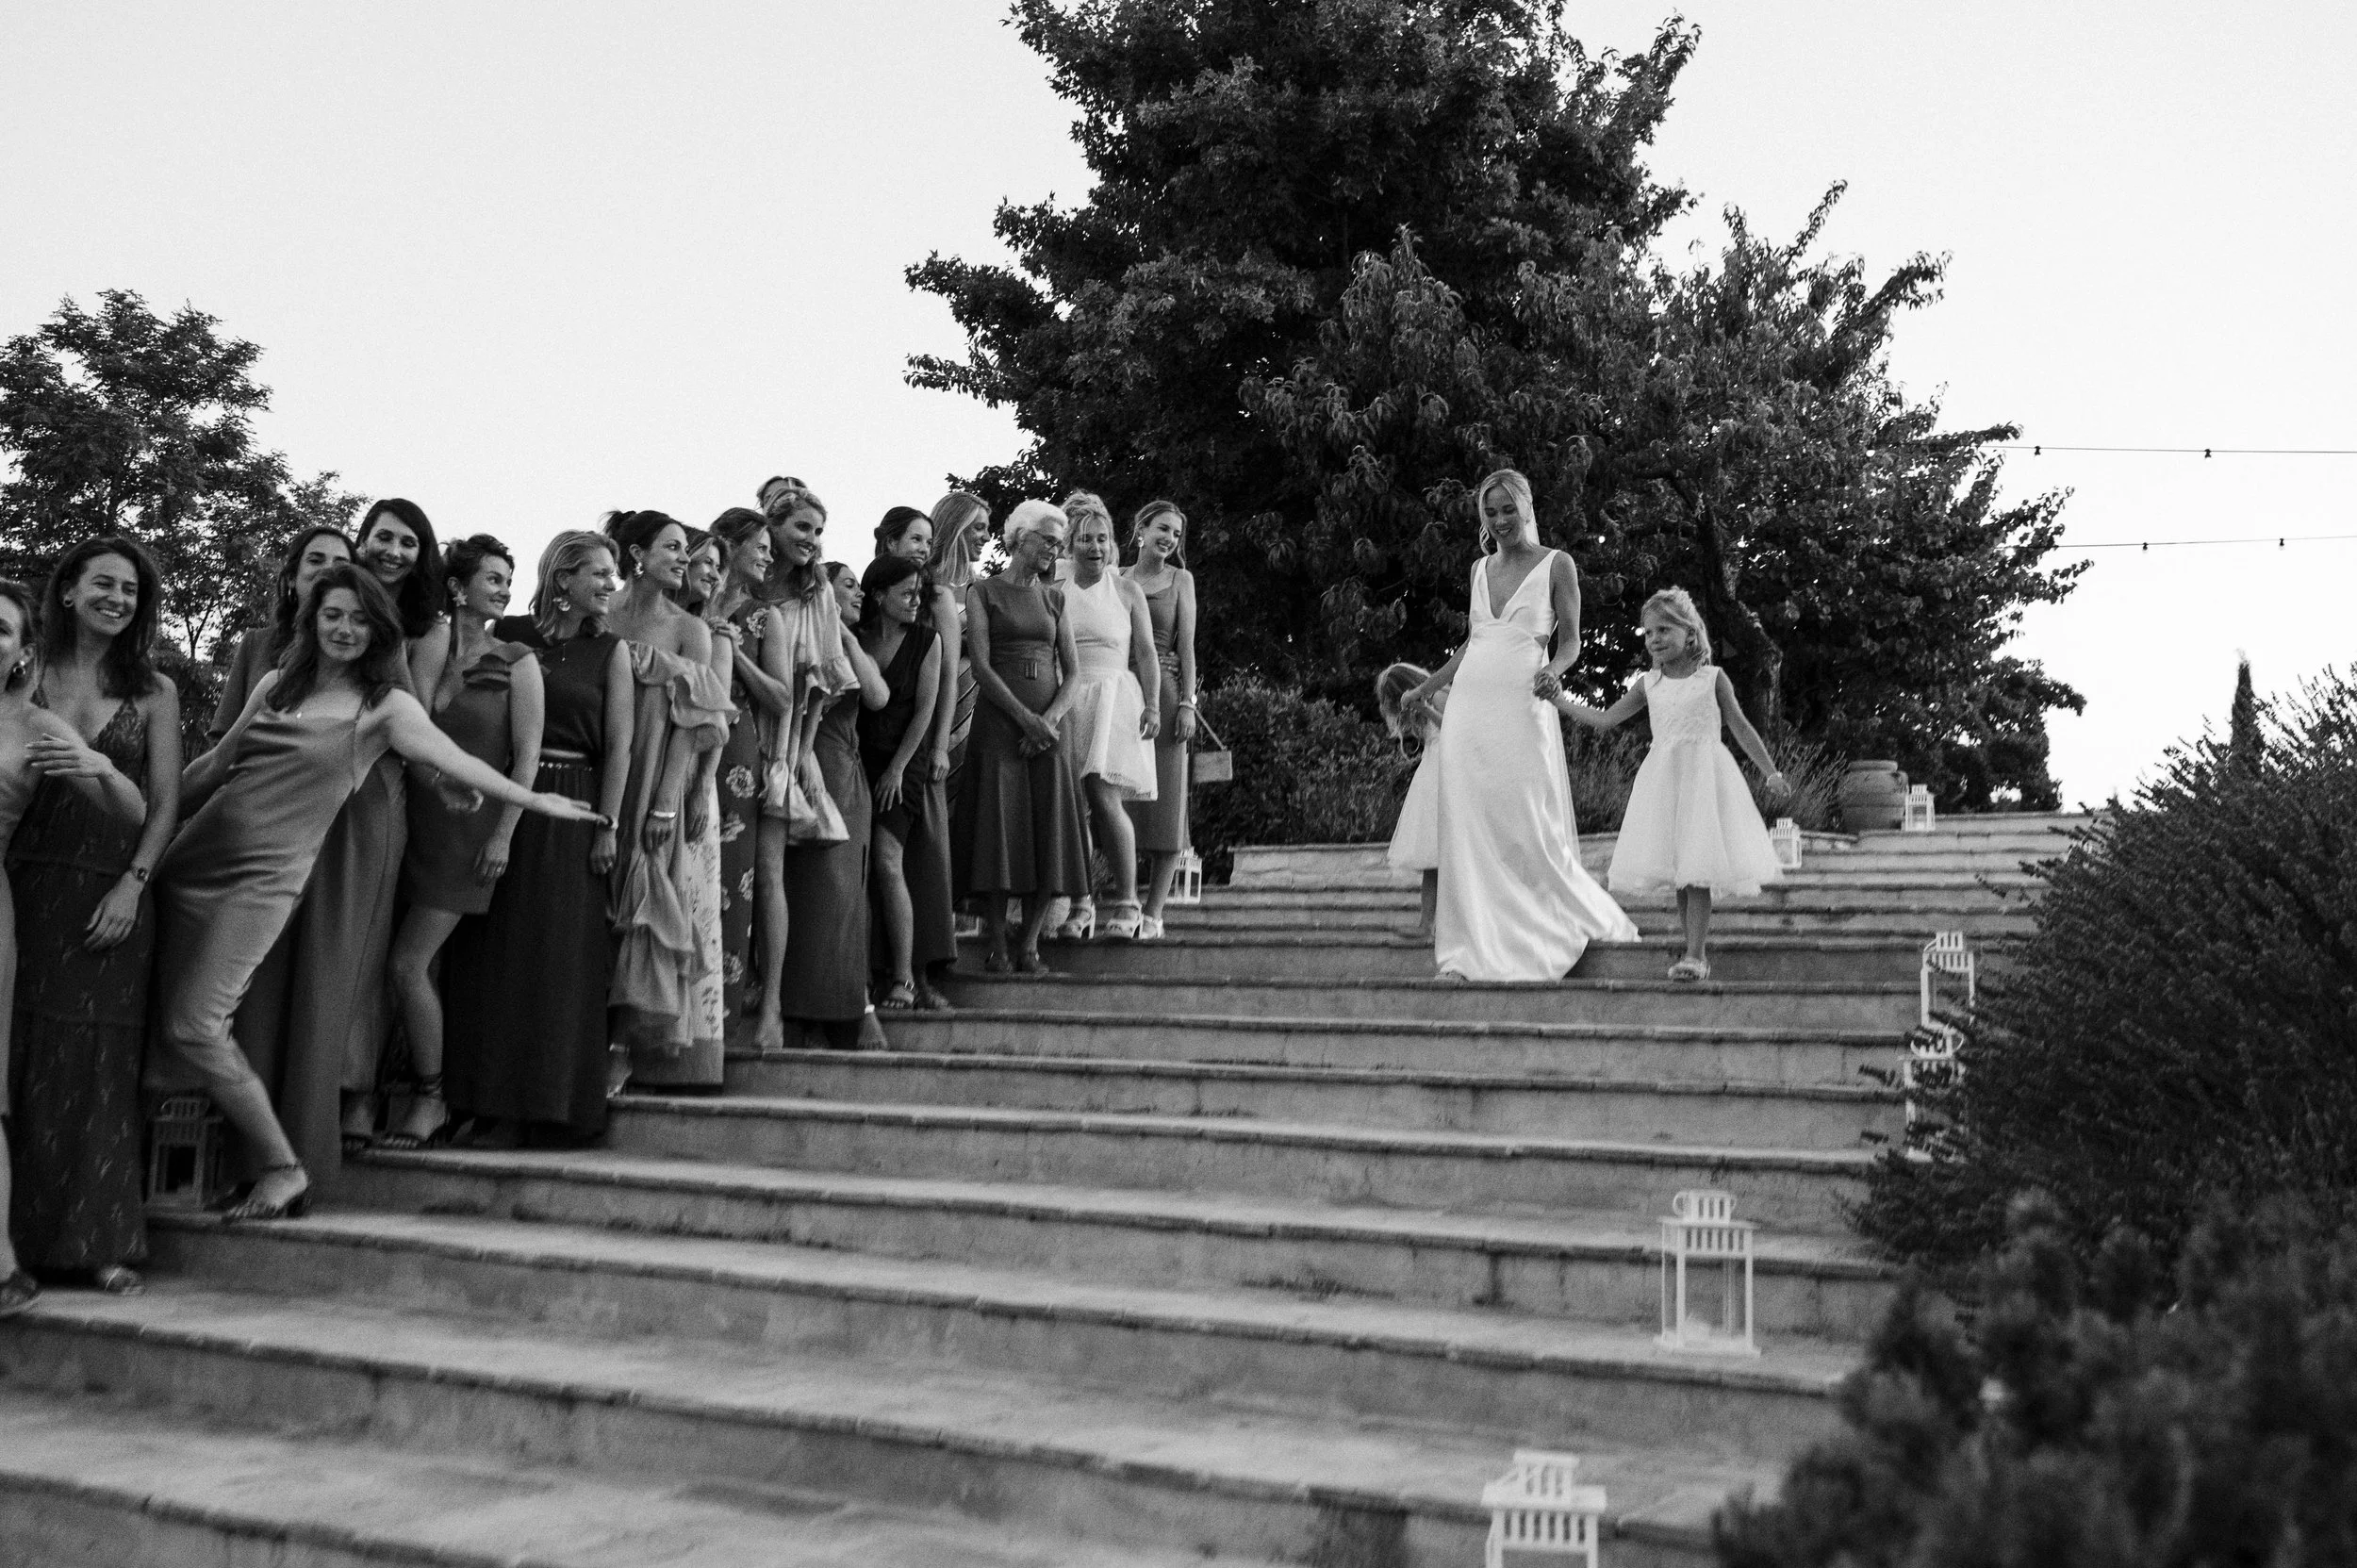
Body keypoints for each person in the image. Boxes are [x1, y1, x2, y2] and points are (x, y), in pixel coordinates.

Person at [153, 564, 603, 1220]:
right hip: (197, 858)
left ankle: (282, 1168)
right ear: (312, 620)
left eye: (360, 618)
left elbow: (461, 763)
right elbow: (214, 767)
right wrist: (144, 833)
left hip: (265, 880)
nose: (344, 627)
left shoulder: (385, 707)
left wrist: (533, 798)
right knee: (160, 1008)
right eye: (333, 613)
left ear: (379, 631)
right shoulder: (278, 683)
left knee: (195, 1022)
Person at [8, 537, 179, 1296]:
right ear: (68, 590)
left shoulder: (154, 690)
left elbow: (166, 802)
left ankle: (100, 1242)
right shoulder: (25, 673)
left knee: (97, 1066)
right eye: (103, 583)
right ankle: (14, 1245)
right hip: (21, 888)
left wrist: (134, 884)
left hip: (112, 889)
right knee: (19, 1062)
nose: (118, 598)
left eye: (132, 590)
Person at [1402, 469, 1636, 981]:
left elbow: (1571, 642)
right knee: (1467, 826)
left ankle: (1544, 929)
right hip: (1469, 710)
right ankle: (1466, 950)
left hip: (1523, 703)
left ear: (1527, 507)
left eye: (1509, 508)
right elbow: (1474, 641)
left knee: (1528, 821)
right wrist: (1426, 686)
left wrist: (1553, 671)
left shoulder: (1558, 565)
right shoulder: (1478, 570)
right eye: (1491, 511)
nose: (1501, 519)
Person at [441, 534, 634, 1146]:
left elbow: (620, 747)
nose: (610, 584)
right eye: (599, 572)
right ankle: (481, 1101)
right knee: (491, 956)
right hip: (501, 799)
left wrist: (608, 825)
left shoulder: (611, 650)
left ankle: (550, 1107)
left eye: (614, 573)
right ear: (563, 577)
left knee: (558, 960)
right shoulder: (514, 634)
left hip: (573, 804)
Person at [380, 536, 542, 1148]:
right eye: (493, 577)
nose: (504, 588)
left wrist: (503, 833)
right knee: (401, 964)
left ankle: (432, 1097)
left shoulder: (518, 659)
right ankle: (384, 1088)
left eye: (508, 578)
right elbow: (412, 726)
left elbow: (525, 760)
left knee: (407, 963)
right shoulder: (426, 644)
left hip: (472, 832)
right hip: (410, 818)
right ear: (458, 585)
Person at [1541, 587, 1787, 981]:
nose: (1654, 639)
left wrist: (1770, 772)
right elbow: (1606, 719)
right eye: (1648, 633)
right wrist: (1559, 701)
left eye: (1663, 630)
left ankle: (1696, 953)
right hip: (1664, 779)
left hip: (1705, 778)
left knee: (1698, 868)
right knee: (1680, 868)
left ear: (1689, 633)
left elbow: (1741, 727)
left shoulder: (1713, 679)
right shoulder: (1647, 684)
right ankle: (1691, 950)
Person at [601, 510, 732, 1089]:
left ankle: (621, 1046)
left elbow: (697, 720)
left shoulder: (690, 630)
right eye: (673, 548)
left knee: (646, 900)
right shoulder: (600, 615)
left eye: (686, 549)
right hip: (598, 766)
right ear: (635, 555)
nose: (685, 558)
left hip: (655, 776)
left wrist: (666, 803)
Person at [953, 500, 1093, 973]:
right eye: (1048, 539)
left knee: (1047, 827)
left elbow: (1073, 673)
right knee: (998, 828)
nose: (1055, 549)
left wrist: (1049, 722)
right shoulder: (983, 591)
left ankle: (1031, 944)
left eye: (1060, 542)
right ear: (1019, 537)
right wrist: (1023, 718)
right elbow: (984, 666)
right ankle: (996, 942)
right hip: (999, 725)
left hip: (1051, 729)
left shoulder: (1055, 597)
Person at [750, 480, 861, 1048]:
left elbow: (824, 683)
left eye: (819, 532)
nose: (812, 541)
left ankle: (769, 1005)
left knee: (770, 876)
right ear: (772, 526)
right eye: (802, 528)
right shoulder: (739, 581)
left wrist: (800, 754)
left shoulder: (816, 594)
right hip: (728, 735)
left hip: (782, 745)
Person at [778, 551, 889, 1047]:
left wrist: (842, 633)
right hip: (802, 761)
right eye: (846, 585)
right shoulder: (800, 633)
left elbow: (877, 695)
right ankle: (801, 1006)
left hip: (842, 773)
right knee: (803, 893)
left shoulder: (847, 641)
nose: (858, 592)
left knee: (843, 895)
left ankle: (849, 1007)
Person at [1055, 491, 1158, 940]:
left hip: (1115, 696)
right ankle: (1081, 903)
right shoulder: (1054, 589)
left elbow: (1147, 653)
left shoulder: (1127, 589)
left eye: (1102, 539)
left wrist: (1153, 703)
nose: (1095, 548)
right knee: (1072, 805)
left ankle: (1128, 902)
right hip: (1067, 698)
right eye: (1085, 539)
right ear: (1069, 544)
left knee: (1104, 797)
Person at [703, 508, 787, 1048]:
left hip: (740, 758)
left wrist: (734, 654)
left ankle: (736, 1017)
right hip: (684, 751)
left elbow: (782, 697)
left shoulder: (765, 617)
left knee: (737, 884)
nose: (768, 555)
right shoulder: (690, 606)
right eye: (758, 545)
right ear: (728, 547)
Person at [870, 507, 959, 1005]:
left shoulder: (936, 602)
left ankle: (915, 976)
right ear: (888, 540)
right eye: (915, 539)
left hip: (916, 749)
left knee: (913, 861)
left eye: (930, 540)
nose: (925, 547)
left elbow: (944, 684)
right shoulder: (865, 607)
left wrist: (940, 745)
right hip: (863, 751)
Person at [854, 554, 944, 1011]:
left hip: (903, 764)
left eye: (920, 593)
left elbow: (924, 712)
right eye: (906, 593)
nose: (915, 601)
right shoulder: (857, 637)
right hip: (855, 760)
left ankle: (904, 977)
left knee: (888, 860)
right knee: (856, 866)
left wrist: (896, 769)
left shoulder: (928, 641)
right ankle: (858, 972)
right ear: (879, 595)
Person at [1120, 500, 1197, 939]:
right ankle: (1123, 903)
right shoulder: (1117, 579)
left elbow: (1186, 648)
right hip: (1121, 693)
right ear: (1141, 529)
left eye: (1176, 534)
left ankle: (1153, 914)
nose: (1169, 539)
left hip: (1166, 695)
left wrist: (1188, 703)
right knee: (1119, 800)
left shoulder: (1180, 580)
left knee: (1168, 803)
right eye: (1163, 529)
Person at [1376, 661, 1442, 939]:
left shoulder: (1439, 693)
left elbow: (1458, 727)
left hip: (1452, 768)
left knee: (1456, 853)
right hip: (1431, 772)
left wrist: (1424, 707)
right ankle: (1426, 924)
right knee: (1432, 855)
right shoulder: (1411, 709)